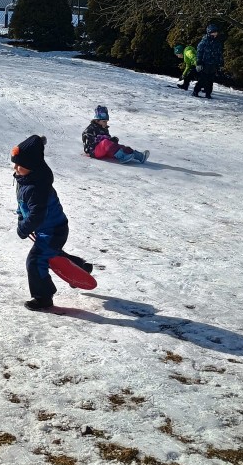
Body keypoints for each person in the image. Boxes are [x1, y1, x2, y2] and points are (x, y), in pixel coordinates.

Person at [11, 134, 92, 311]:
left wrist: (23, 229)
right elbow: (22, 205)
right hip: (46, 229)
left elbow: (37, 215)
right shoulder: (25, 180)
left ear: (32, 166)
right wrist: (21, 219)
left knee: (35, 260)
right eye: (15, 164)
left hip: (53, 230)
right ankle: (81, 267)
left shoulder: (37, 188)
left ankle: (43, 297)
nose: (16, 168)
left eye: (20, 165)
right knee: (50, 254)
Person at [82, 106, 149, 164]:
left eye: (106, 121)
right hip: (94, 152)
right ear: (97, 120)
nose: (106, 123)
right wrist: (100, 139)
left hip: (104, 151)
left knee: (119, 147)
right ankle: (122, 157)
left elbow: (108, 140)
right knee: (105, 142)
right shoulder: (90, 129)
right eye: (104, 121)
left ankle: (140, 156)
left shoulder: (104, 129)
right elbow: (88, 140)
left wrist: (112, 140)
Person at [193, 22, 224, 99]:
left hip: (213, 64)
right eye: (214, 32)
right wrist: (199, 63)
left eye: (216, 32)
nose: (215, 34)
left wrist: (220, 63)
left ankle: (208, 93)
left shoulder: (217, 42)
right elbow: (199, 52)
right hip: (205, 63)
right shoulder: (204, 41)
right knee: (203, 79)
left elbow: (219, 53)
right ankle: (196, 91)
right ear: (209, 32)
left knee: (210, 80)